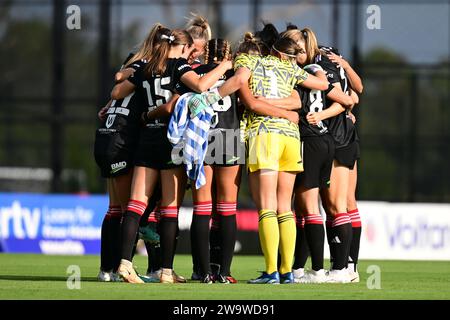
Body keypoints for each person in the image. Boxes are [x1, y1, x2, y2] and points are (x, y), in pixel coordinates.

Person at [199, 35, 328, 284]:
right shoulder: (292, 67)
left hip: (265, 135)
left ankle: (271, 272)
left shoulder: (249, 60)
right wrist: (320, 69)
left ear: (272, 50)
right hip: (291, 138)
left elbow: (239, 84)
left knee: (267, 207)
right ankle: (287, 271)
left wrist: (209, 98)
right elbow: (320, 86)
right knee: (286, 208)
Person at [111, 27, 232, 284]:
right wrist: (225, 67)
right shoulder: (178, 66)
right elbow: (201, 85)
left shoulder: (146, 66)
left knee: (135, 205)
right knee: (169, 209)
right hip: (170, 141)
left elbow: (116, 93)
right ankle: (166, 270)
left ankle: (124, 263)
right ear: (185, 48)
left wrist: (132, 74)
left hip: (146, 139)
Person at [268, 27, 355, 283]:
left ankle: (318, 270)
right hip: (325, 140)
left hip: (310, 140)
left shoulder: (299, 73)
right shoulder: (317, 72)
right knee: (324, 207)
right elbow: (348, 98)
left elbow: (296, 101)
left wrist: (262, 101)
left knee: (309, 208)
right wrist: (345, 104)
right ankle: (339, 268)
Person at [94, 24, 167, 282]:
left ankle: (107, 269)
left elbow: (117, 86)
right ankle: (126, 268)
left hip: (106, 137)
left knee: (115, 209)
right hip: (123, 141)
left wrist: (107, 104)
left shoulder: (135, 61)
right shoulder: (146, 66)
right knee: (133, 211)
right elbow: (119, 79)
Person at [188, 38, 242, 284]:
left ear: (207, 53)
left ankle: (201, 271)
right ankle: (224, 271)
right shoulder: (237, 73)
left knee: (202, 206)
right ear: (229, 53)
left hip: (202, 137)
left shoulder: (196, 72)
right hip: (230, 137)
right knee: (228, 207)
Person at [326, 48, 364, 282]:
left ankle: (345, 266)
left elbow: (355, 93)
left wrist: (345, 65)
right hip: (350, 137)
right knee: (348, 202)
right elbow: (357, 94)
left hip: (338, 138)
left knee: (338, 203)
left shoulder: (327, 74)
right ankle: (350, 265)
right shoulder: (341, 76)